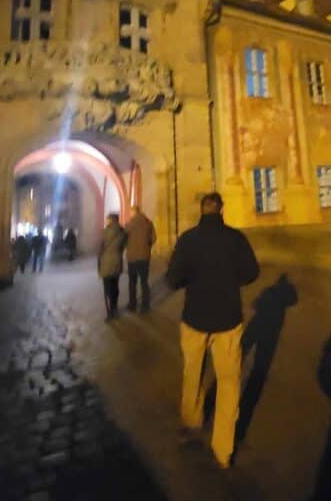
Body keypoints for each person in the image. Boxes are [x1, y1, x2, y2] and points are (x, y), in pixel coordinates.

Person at [165, 192, 260, 469]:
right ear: (222, 210)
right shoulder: (235, 238)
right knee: (229, 382)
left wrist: (187, 278)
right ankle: (223, 449)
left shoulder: (188, 239)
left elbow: (173, 279)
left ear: (201, 210)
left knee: (192, 372)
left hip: (194, 317)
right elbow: (251, 273)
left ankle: (192, 420)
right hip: (228, 318)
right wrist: (233, 276)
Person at [124, 205, 156, 312]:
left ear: (134, 212)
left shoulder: (129, 224)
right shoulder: (148, 223)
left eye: (131, 212)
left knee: (132, 282)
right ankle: (145, 305)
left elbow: (124, 238)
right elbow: (154, 238)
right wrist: (147, 246)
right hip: (144, 257)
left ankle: (132, 304)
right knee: (144, 282)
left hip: (132, 257)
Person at [98, 213, 127, 321]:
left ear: (110, 220)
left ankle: (109, 312)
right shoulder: (122, 232)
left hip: (106, 262)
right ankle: (114, 308)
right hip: (117, 261)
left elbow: (101, 247)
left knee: (107, 288)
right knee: (115, 286)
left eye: (107, 219)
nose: (106, 221)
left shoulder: (105, 232)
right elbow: (123, 246)